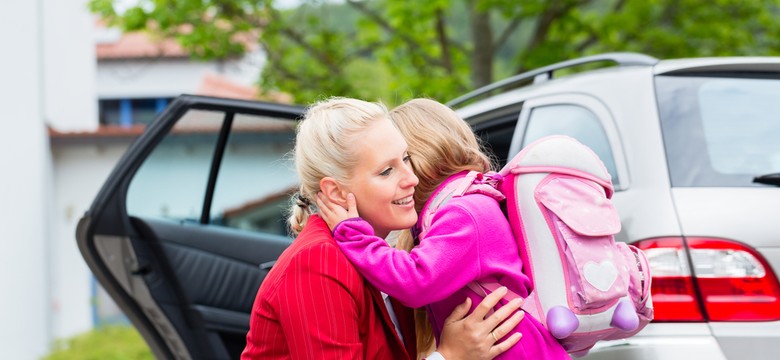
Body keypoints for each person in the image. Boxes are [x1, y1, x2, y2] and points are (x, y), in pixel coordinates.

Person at [241, 97, 524, 360]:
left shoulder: (381, 256)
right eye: (386, 171)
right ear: (336, 192)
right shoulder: (318, 262)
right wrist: (448, 356)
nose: (411, 178)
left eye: (406, 159)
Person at [316, 98, 571, 359]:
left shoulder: (465, 212)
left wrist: (353, 235)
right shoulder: (462, 205)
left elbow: (414, 282)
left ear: (419, 158)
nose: (405, 176)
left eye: (403, 159)